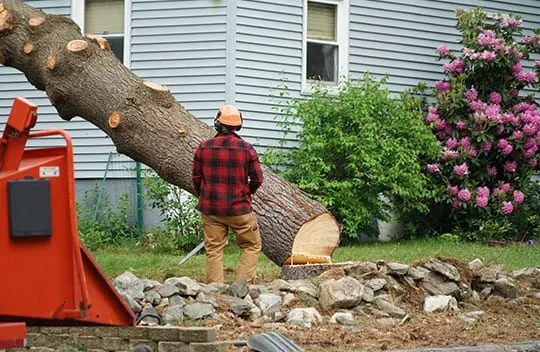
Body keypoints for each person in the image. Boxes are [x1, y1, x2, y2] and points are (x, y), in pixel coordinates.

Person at [192, 105, 264, 284]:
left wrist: (204, 196)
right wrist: (248, 193)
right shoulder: (247, 149)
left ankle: (214, 291)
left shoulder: (203, 147)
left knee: (214, 250)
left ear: (217, 123)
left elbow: (196, 177)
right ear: (238, 126)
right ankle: (242, 287)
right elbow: (257, 179)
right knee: (251, 245)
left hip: (211, 210)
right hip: (239, 210)